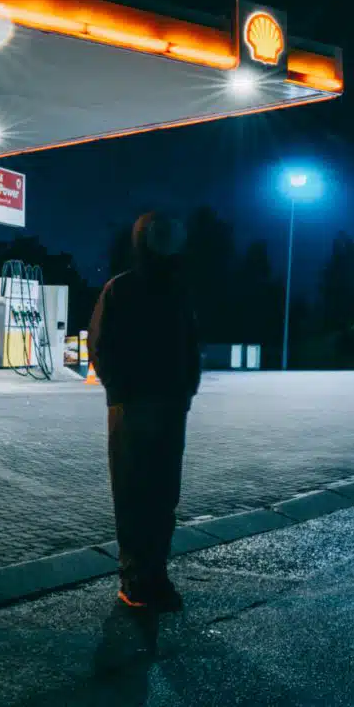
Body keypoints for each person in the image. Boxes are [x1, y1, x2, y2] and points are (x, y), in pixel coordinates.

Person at [88, 211, 201, 612]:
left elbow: (100, 345)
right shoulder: (165, 292)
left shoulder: (127, 289)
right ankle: (139, 578)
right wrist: (179, 392)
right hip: (144, 408)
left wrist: (178, 392)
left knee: (153, 494)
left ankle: (149, 576)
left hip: (148, 406)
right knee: (145, 493)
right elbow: (103, 348)